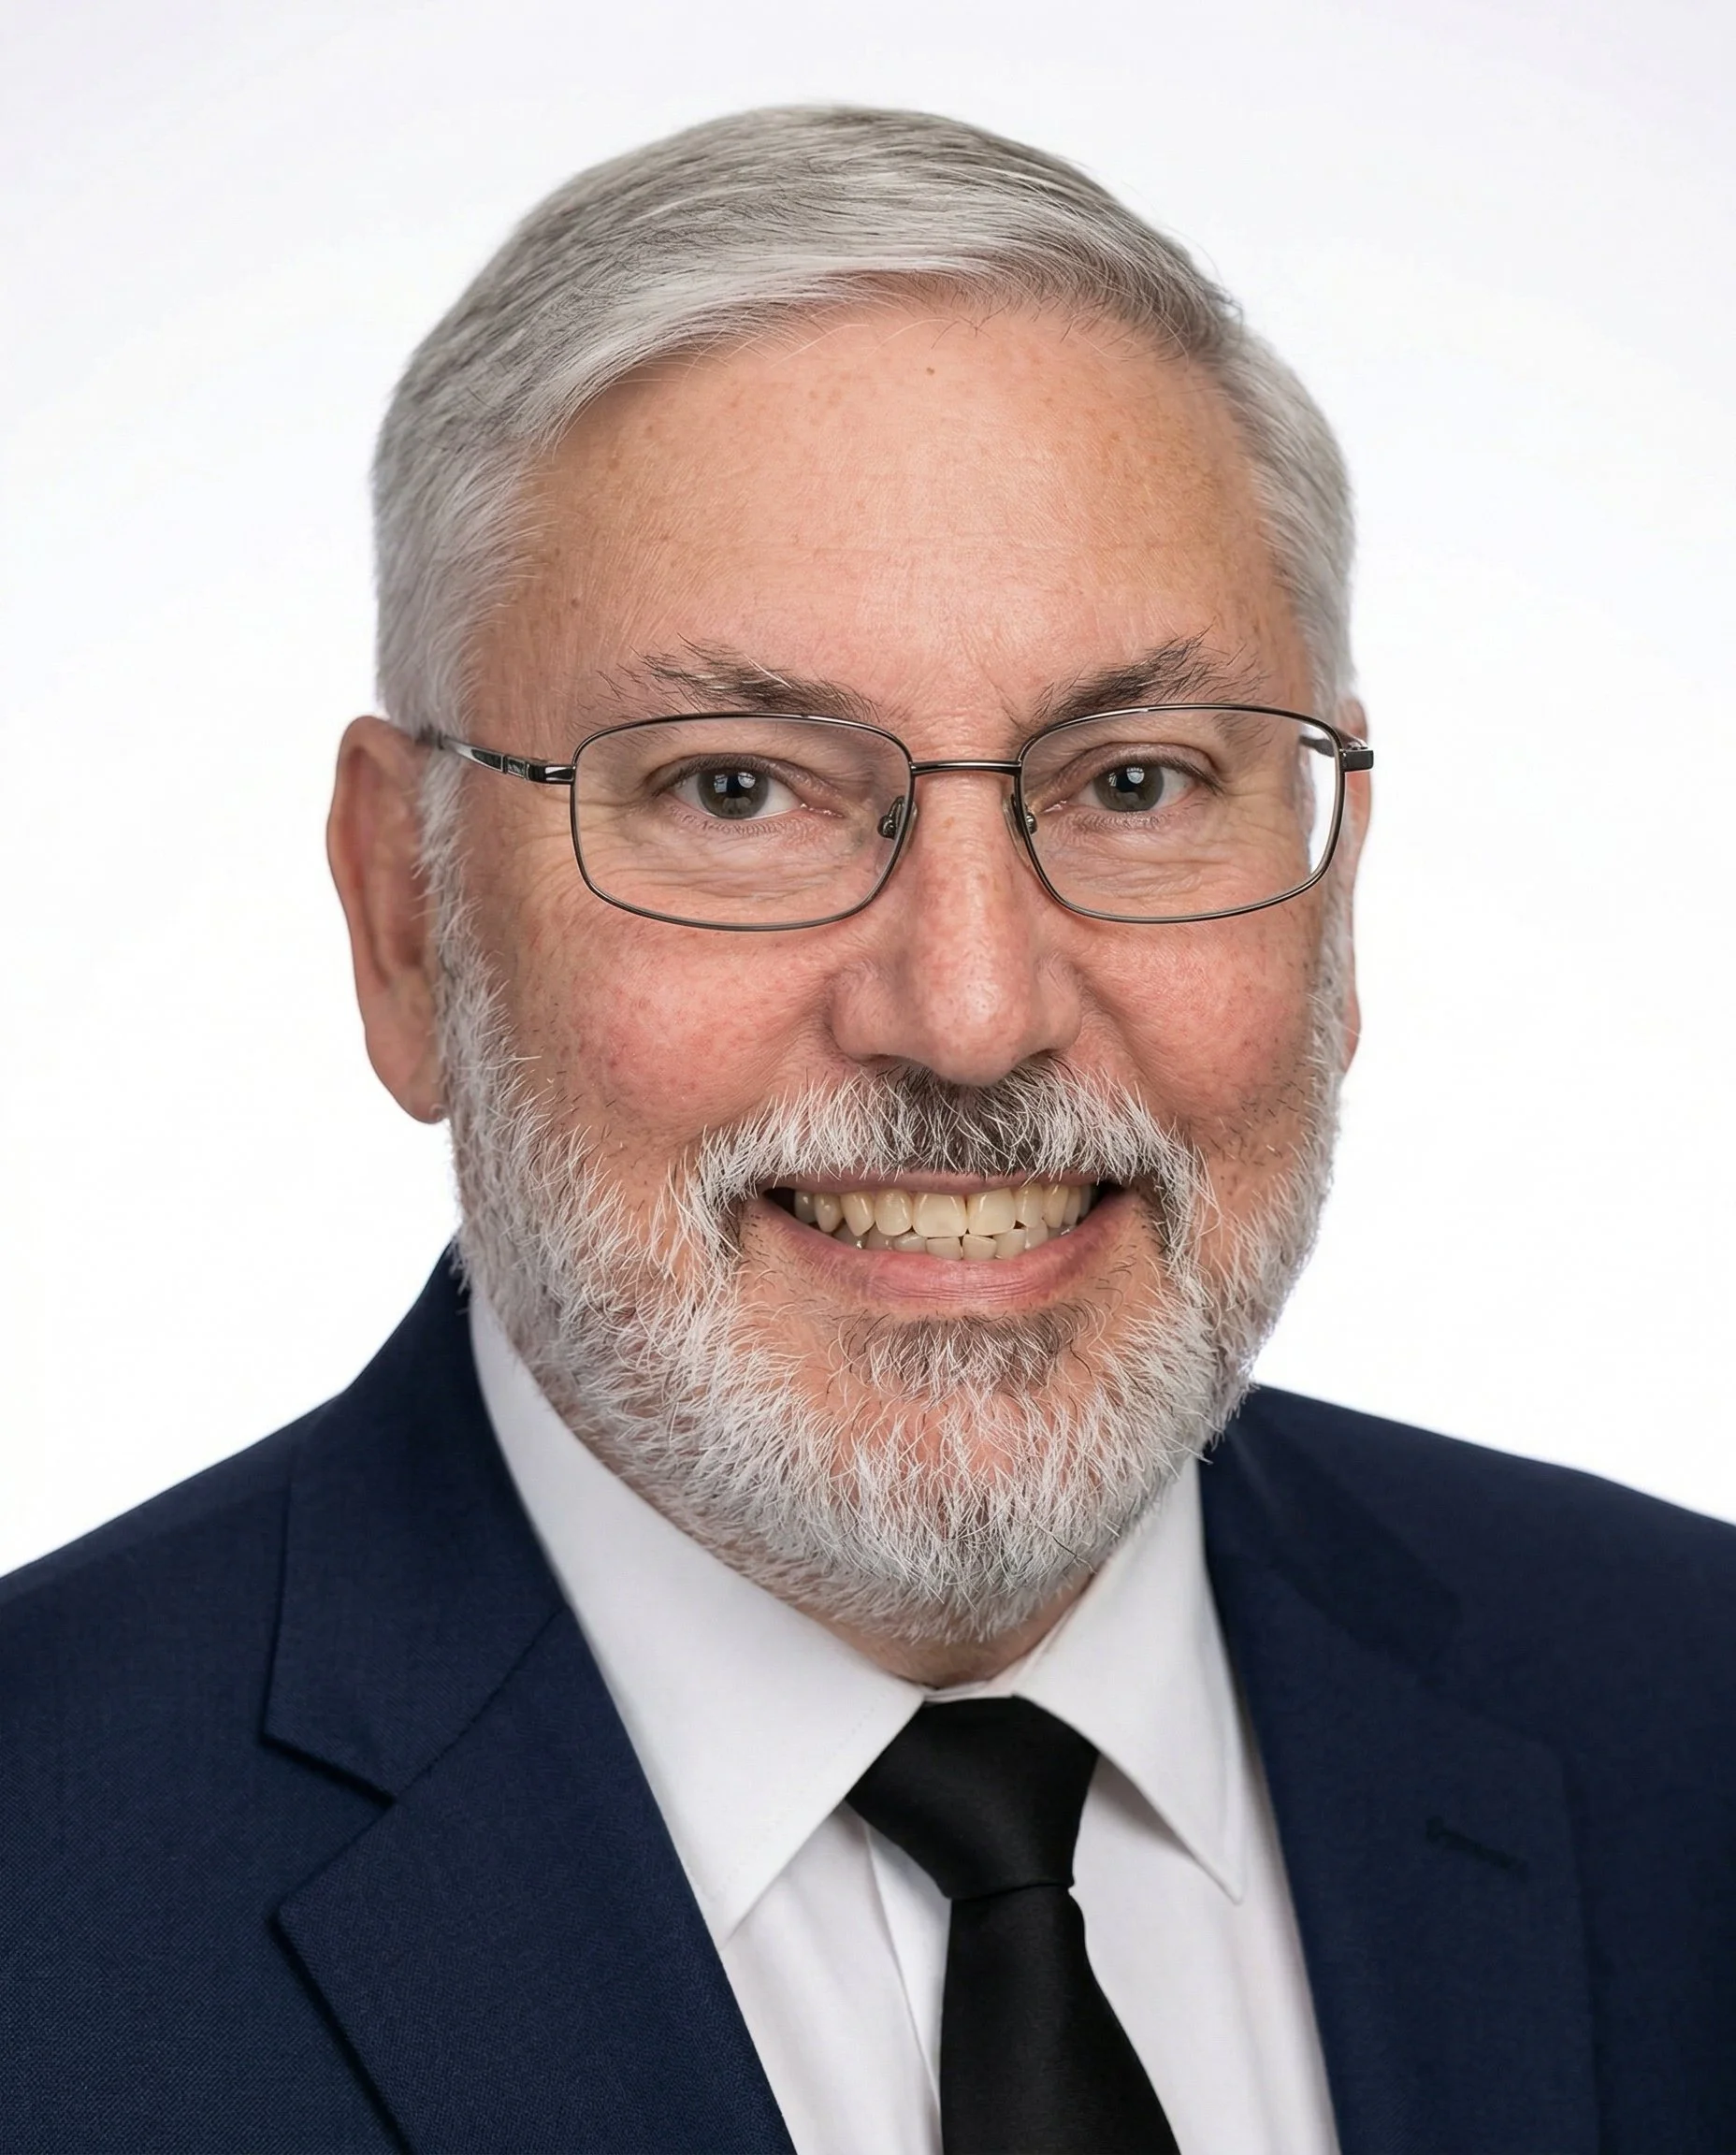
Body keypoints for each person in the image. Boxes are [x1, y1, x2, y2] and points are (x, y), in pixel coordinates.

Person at [2, 104, 1731, 2155]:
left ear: (1334, 894)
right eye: (736, 790)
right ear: (404, 917)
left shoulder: (1687, 1715)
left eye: (1137, 783)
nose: (973, 1012)